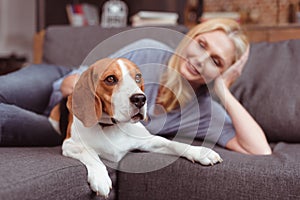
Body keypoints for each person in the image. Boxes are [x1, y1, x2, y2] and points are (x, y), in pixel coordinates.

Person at [0, 18, 271, 155]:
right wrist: (98, 96)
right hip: (55, 82)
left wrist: (223, 89)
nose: (200, 60)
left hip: (64, 125)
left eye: (215, 61)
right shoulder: (148, 52)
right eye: (201, 44)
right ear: (191, 37)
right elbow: (71, 83)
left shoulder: (202, 110)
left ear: (222, 71)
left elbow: (260, 150)